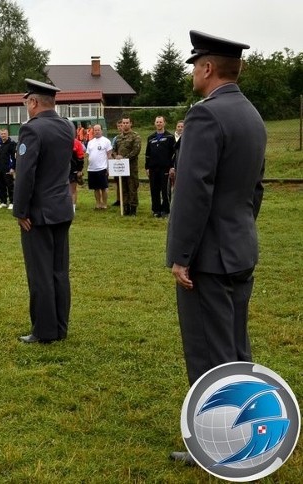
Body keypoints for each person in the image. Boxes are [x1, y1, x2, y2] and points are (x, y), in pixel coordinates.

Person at [167, 31, 267, 466]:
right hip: (240, 248)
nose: (193, 71)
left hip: (208, 256)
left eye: (195, 64)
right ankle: (248, 433)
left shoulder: (206, 116)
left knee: (209, 351)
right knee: (236, 347)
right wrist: (239, 231)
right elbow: (255, 189)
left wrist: (181, 255)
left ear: (208, 68)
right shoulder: (251, 116)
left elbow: (193, 193)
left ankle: (218, 445)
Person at [13, 79, 74, 344]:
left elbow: (26, 174)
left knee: (40, 274)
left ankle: (44, 331)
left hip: (38, 212)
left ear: (34, 102)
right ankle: (60, 327)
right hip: (61, 207)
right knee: (59, 271)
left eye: (27, 102)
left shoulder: (32, 130)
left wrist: (20, 210)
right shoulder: (67, 127)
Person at [145, 116, 176, 217]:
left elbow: (174, 154)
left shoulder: (170, 137)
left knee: (165, 190)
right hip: (153, 169)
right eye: (157, 122)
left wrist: (172, 167)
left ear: (164, 123)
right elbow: (147, 154)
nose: (159, 124)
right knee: (154, 190)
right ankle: (156, 210)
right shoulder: (151, 138)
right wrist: (147, 168)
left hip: (165, 168)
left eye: (160, 122)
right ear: (155, 123)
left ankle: (165, 210)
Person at [113, 116, 141, 216]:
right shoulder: (118, 138)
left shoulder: (135, 136)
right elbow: (114, 150)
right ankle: (125, 208)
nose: (125, 125)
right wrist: (116, 156)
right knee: (123, 188)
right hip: (121, 168)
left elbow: (136, 151)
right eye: (123, 123)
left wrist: (124, 158)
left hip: (131, 167)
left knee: (132, 188)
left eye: (127, 123)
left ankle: (133, 209)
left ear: (130, 124)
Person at [85, 124, 112, 210]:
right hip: (92, 169)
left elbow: (109, 155)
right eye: (95, 130)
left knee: (103, 187)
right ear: (93, 131)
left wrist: (108, 168)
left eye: (98, 130)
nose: (97, 132)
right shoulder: (90, 142)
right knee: (95, 188)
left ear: (101, 130)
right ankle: (98, 204)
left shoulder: (106, 141)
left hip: (102, 168)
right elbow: (87, 155)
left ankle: (104, 204)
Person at [0, 129, 16, 209]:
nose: (3, 135)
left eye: (5, 134)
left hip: (8, 169)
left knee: (10, 186)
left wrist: (13, 168)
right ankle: (3, 202)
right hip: (0, 169)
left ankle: (12, 202)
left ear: (8, 134)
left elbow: (14, 157)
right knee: (1, 186)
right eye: (2, 134)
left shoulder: (12, 144)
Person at [69, 133, 85, 212]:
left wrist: (79, 170)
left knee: (73, 189)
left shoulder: (77, 143)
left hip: (73, 170)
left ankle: (73, 209)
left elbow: (81, 157)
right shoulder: (60, 142)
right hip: (62, 170)